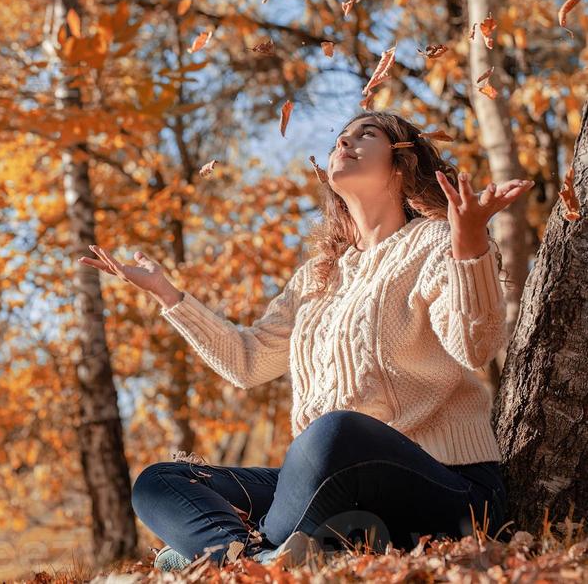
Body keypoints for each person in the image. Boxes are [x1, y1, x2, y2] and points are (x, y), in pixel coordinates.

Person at [79, 110, 533, 569]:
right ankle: (255, 561)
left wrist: (470, 242)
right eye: (341, 137)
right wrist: (166, 293)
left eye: (366, 134)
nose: (345, 142)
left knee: (335, 431)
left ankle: (218, 557)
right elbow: (248, 362)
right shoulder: (319, 275)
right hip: (329, 482)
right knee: (163, 480)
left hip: (446, 486)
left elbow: (474, 345)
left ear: (402, 163)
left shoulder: (437, 241)